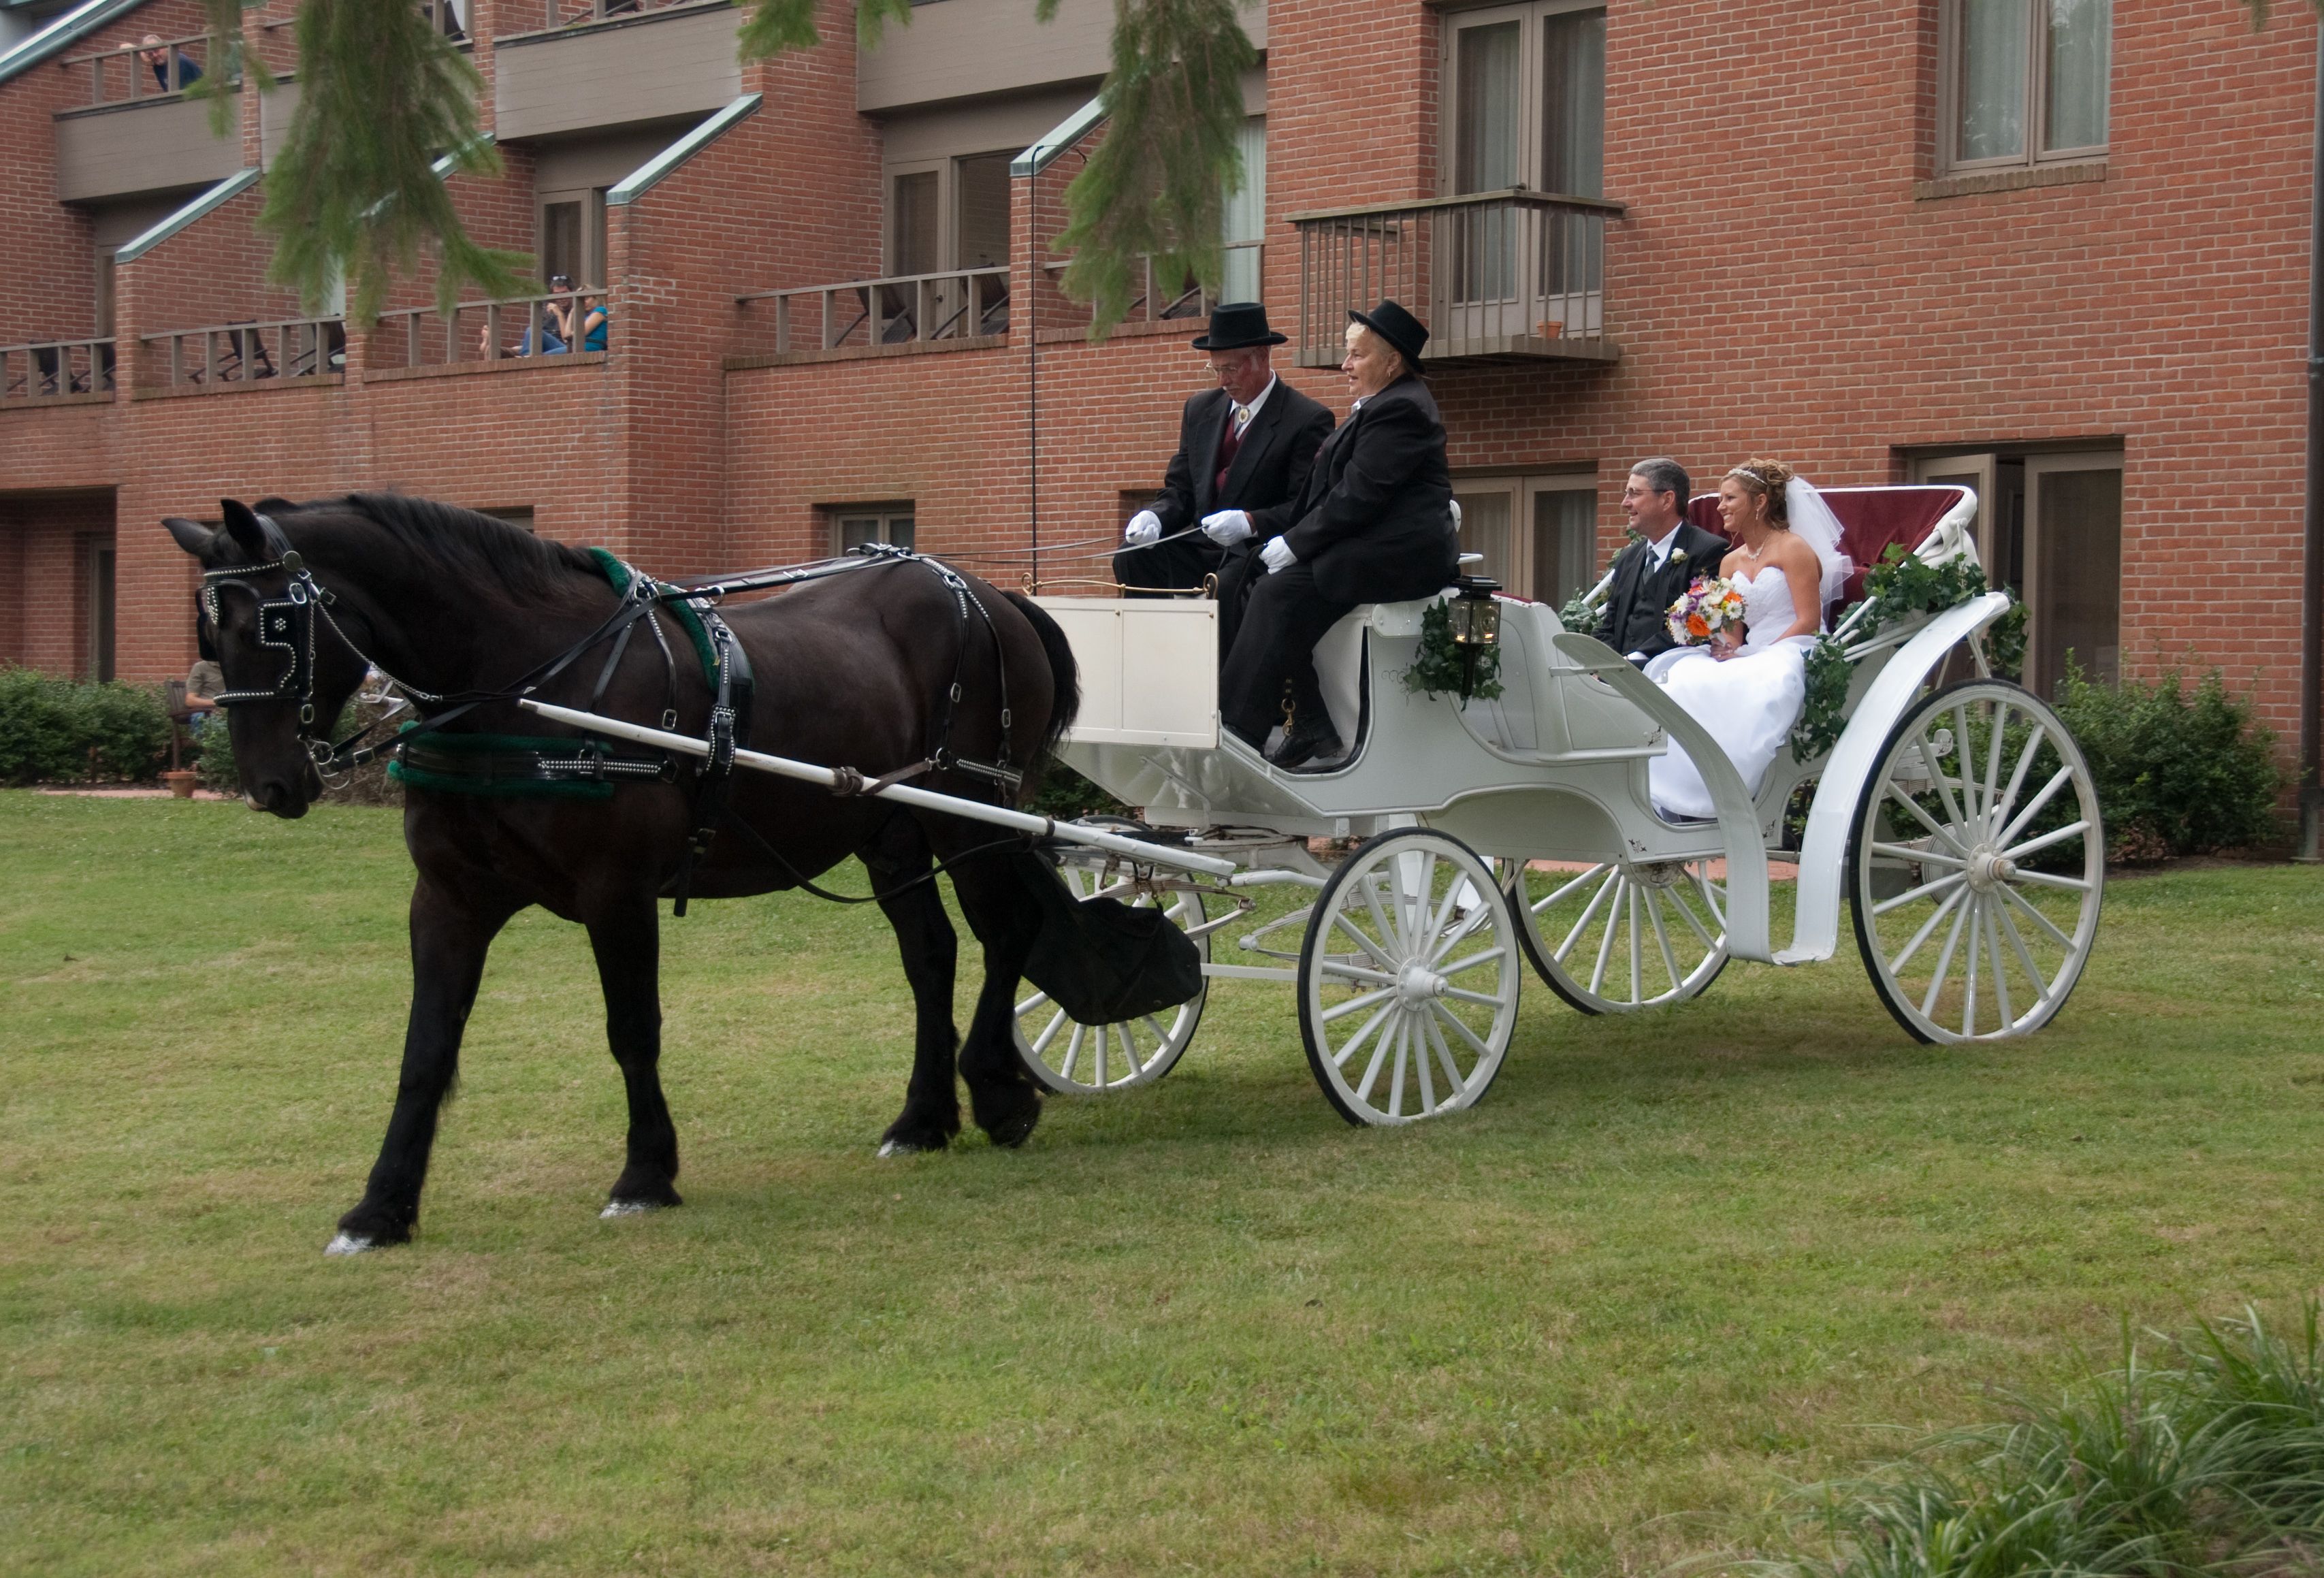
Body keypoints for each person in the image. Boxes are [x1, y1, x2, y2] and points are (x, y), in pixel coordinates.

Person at [1219, 300, 1457, 770]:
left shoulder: (1403, 409)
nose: (1346, 365)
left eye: (1358, 355)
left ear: (1392, 362)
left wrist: (1296, 543)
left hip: (1398, 558)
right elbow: (1330, 495)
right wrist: (1278, 534)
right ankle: (1309, 721)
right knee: (1241, 581)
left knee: (1277, 594)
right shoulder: (1384, 403)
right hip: (1366, 546)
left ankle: (1237, 732)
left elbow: (1359, 495)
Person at [1114, 302, 1333, 658]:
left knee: (1226, 585)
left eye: (1230, 368)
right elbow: (1180, 488)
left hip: (1256, 553)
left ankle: (1220, 690)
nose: (1222, 380)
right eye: (1214, 369)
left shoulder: (1306, 419)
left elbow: (1306, 507)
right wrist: (1156, 515)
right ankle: (1147, 660)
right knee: (1132, 557)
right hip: (1200, 545)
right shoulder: (1200, 409)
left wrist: (1250, 522)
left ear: (1262, 357)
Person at [1645, 458, 1853, 820]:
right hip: (1750, 652)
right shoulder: (1730, 562)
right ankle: (1680, 790)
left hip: (1793, 645)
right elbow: (1733, 630)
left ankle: (1730, 789)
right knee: (1683, 678)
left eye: (1730, 499)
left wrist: (1757, 655)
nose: (1720, 507)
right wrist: (1725, 648)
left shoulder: (1793, 549)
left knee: (1760, 679)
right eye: (1721, 499)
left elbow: (1808, 620)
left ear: (1759, 503)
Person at [1596, 458, 1728, 664]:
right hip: (1618, 678)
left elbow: (1698, 624)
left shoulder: (1708, 551)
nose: (1625, 503)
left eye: (1635, 493)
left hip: (1673, 675)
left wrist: (1635, 659)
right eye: (1626, 494)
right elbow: (1609, 624)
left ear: (1667, 500)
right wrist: (1604, 665)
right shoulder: (1628, 558)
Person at [137, 34, 202, 93]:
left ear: (165, 47)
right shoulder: (157, 64)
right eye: (150, 53)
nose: (155, 55)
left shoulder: (178, 61)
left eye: (156, 50)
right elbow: (126, 46)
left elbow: (178, 96)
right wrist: (141, 53)